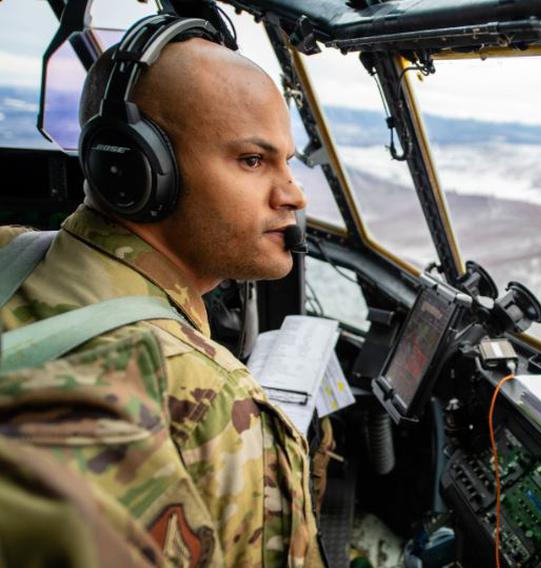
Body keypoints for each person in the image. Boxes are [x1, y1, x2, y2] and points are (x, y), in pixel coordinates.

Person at [0, 21, 323, 567]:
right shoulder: (215, 402)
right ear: (136, 168)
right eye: (252, 160)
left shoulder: (7, 252)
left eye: (287, 163)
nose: (293, 194)